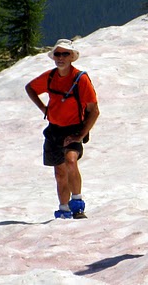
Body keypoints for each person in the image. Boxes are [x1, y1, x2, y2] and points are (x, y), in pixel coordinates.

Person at [25, 39, 100, 219]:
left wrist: (80, 134)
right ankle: (64, 209)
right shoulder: (50, 77)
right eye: (57, 54)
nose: (61, 57)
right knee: (59, 173)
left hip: (73, 129)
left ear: (72, 57)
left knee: (71, 161)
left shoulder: (80, 79)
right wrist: (45, 109)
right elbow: (30, 88)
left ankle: (77, 203)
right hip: (54, 129)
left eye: (65, 54)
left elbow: (94, 111)